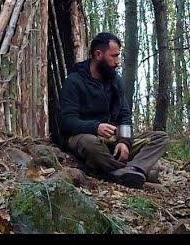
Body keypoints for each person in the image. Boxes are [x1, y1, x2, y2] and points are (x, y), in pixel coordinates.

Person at [59, 32, 169, 188]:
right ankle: (125, 171)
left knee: (160, 138)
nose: (117, 62)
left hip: (113, 141)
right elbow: (67, 121)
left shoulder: (115, 81)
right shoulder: (74, 81)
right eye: (114, 56)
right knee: (90, 143)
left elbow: (125, 116)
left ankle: (132, 169)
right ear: (98, 54)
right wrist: (95, 127)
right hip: (86, 138)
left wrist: (124, 141)